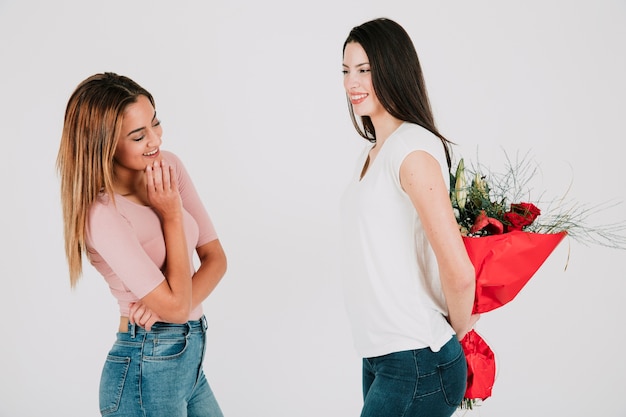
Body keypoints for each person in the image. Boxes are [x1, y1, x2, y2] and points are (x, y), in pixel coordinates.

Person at [57, 72, 227, 416]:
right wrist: (172, 215)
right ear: (104, 144)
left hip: (190, 361)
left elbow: (216, 259)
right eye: (138, 135)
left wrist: (173, 302)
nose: (155, 140)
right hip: (146, 367)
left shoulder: (168, 167)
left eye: (155, 123)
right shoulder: (101, 213)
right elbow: (177, 310)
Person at [340, 18, 480, 417]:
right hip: (381, 357)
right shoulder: (373, 153)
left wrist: (452, 333)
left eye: (365, 70)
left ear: (393, 68)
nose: (353, 82)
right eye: (347, 70)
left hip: (417, 358)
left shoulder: (412, 149)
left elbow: (459, 269)